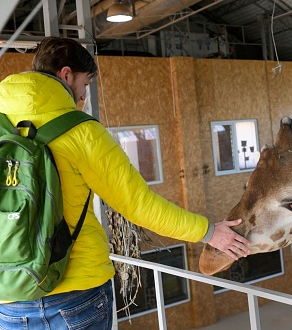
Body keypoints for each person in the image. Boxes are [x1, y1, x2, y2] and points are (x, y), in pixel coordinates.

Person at [0, 36, 250, 329]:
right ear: (66, 74)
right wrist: (208, 232)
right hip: (76, 293)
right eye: (84, 85)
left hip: (9, 294)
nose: (82, 97)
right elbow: (139, 206)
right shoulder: (81, 131)